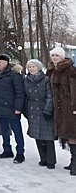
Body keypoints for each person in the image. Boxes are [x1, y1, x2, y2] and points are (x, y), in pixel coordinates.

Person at [47, 46, 76, 176]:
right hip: (58, 109)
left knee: (72, 135)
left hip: (69, 108)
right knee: (66, 134)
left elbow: (74, 90)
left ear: (62, 57)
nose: (54, 58)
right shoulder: (52, 70)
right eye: (53, 55)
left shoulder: (70, 70)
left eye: (57, 55)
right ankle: (72, 160)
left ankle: (75, 162)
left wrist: (74, 107)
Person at [0, 53, 26, 163]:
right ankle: (7, 150)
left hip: (12, 108)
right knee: (4, 131)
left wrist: (18, 107)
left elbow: (20, 92)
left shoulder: (14, 74)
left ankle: (20, 153)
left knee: (17, 131)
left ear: (6, 62)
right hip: (0, 107)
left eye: (0, 62)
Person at [24, 59, 56, 169]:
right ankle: (43, 158)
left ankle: (51, 161)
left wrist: (48, 109)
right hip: (32, 109)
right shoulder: (26, 80)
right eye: (29, 67)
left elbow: (50, 96)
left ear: (38, 68)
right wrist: (25, 110)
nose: (31, 69)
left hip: (43, 108)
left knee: (48, 137)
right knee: (37, 136)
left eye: (33, 66)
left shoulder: (46, 79)